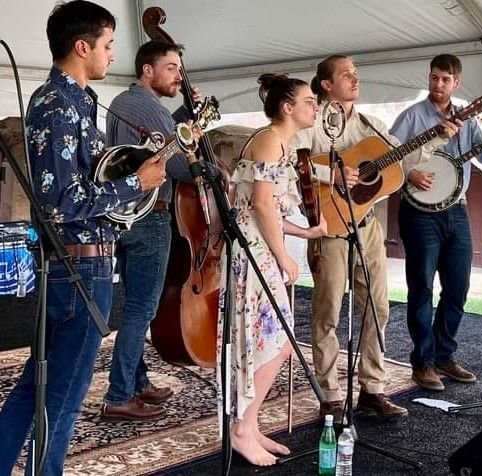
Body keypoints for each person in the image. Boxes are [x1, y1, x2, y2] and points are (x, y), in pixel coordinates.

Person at [0, 2, 166, 474]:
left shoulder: (77, 100)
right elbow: (62, 203)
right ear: (81, 46)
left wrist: (132, 178)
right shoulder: (56, 104)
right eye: (108, 45)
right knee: (65, 397)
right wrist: (138, 184)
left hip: (83, 263)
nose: (113, 55)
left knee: (37, 385)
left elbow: (87, 185)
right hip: (77, 268)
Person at [291, 55, 456, 420]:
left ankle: (372, 389)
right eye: (346, 75)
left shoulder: (372, 124)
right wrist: (330, 174)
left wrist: (432, 140)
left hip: (366, 228)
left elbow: (402, 160)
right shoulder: (311, 123)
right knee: (328, 313)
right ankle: (331, 396)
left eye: (356, 74)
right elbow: (290, 161)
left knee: (377, 308)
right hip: (330, 228)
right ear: (326, 86)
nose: (355, 79)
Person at [390, 54, 482, 391]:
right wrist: (411, 172)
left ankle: (444, 356)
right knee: (422, 288)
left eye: (445, 80)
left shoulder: (467, 121)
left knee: (458, 288)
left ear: (457, 84)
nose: (438, 85)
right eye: (434, 78)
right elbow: (389, 159)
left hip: (457, 211)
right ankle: (422, 362)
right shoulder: (411, 117)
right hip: (419, 213)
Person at [217, 73, 327, 466]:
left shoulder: (278, 143)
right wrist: (284, 256)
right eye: (309, 100)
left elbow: (267, 209)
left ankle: (249, 422)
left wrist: (307, 229)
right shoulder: (267, 140)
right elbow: (260, 207)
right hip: (254, 253)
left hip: (260, 246)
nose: (315, 106)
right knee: (274, 343)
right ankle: (242, 430)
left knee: (270, 342)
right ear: (287, 107)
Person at [101, 40, 205, 421]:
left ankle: (137, 381)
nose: (179, 75)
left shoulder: (127, 104)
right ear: (147, 70)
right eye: (172, 68)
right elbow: (174, 166)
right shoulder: (145, 106)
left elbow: (156, 141)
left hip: (127, 215)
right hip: (151, 213)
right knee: (142, 309)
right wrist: (204, 167)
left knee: (136, 305)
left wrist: (181, 117)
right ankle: (117, 395)